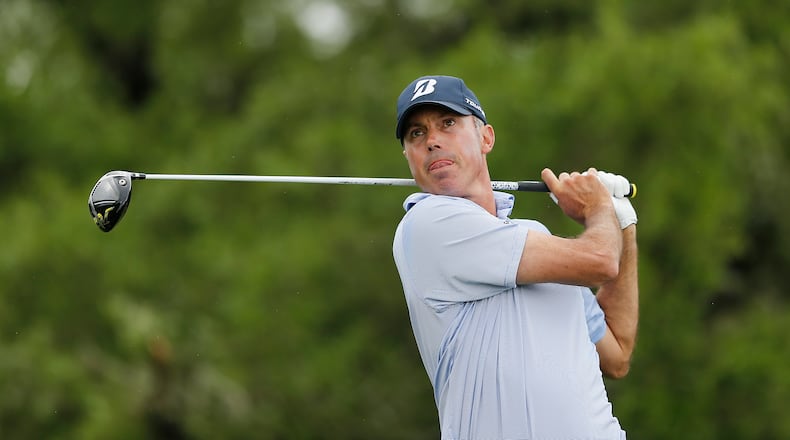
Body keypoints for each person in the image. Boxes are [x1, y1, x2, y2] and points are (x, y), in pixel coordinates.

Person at [391, 75, 639, 439]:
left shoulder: (535, 237)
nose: (432, 141)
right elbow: (600, 260)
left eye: (448, 123)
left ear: (486, 137)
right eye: (416, 133)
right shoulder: (428, 224)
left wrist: (622, 222)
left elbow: (617, 353)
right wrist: (599, 207)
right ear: (408, 156)